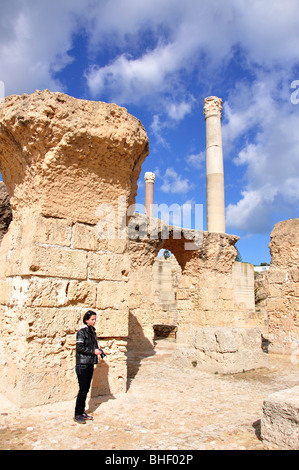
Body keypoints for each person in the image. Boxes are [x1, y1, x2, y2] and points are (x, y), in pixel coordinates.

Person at [74, 310, 105, 424]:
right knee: (82, 389)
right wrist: (93, 351)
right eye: (92, 319)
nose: (94, 321)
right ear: (86, 320)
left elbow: (92, 346)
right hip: (82, 364)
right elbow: (80, 348)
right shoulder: (82, 332)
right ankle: (77, 414)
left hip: (89, 363)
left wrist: (98, 351)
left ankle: (82, 412)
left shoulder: (92, 331)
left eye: (95, 319)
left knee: (86, 389)